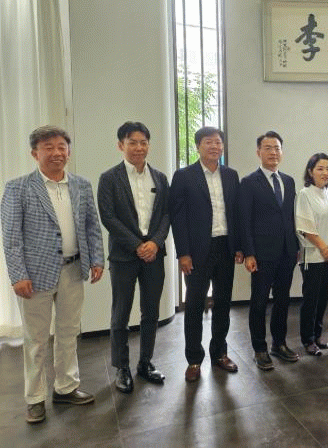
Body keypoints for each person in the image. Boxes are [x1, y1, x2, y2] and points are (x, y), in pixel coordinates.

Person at [1, 126, 104, 424]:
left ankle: (66, 387)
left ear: (68, 151)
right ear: (35, 153)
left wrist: (96, 258)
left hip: (74, 269)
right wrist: (17, 275)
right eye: (49, 147)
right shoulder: (17, 188)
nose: (57, 153)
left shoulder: (81, 185)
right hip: (34, 276)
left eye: (61, 147)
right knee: (35, 340)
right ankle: (34, 399)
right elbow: (11, 238)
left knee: (68, 332)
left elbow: (91, 226)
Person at [97, 122, 170, 393]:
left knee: (151, 312)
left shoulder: (160, 178)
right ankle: (122, 367)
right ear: (121, 145)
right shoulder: (109, 178)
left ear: (148, 145)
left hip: (154, 254)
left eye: (143, 142)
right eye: (132, 142)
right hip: (124, 256)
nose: (139, 147)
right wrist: (138, 245)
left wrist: (155, 243)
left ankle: (146, 362)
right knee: (121, 313)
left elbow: (166, 214)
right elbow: (108, 217)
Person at [169, 127, 243, 382]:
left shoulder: (231, 175)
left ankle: (220, 353)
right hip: (197, 251)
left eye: (218, 142)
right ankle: (193, 359)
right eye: (208, 142)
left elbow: (236, 214)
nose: (214, 146)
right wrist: (183, 253)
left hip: (225, 247)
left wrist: (239, 246)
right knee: (195, 305)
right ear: (198, 146)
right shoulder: (184, 176)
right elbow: (178, 218)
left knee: (223, 303)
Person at [239, 131, 300, 371]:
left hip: (287, 252)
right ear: (258, 152)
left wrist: (295, 246)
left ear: (281, 152)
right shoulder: (248, 182)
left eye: (277, 148)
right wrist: (249, 253)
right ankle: (259, 349)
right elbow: (244, 220)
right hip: (261, 254)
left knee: (283, 301)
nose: (273, 152)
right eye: (268, 148)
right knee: (259, 302)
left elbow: (290, 217)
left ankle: (279, 344)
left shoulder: (289, 181)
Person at [295, 153, 328, 356]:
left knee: (322, 298)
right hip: (313, 256)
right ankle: (308, 339)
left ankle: (318, 335)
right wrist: (323, 248)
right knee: (311, 299)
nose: (325, 172)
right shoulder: (305, 194)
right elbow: (305, 227)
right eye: (320, 168)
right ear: (310, 171)